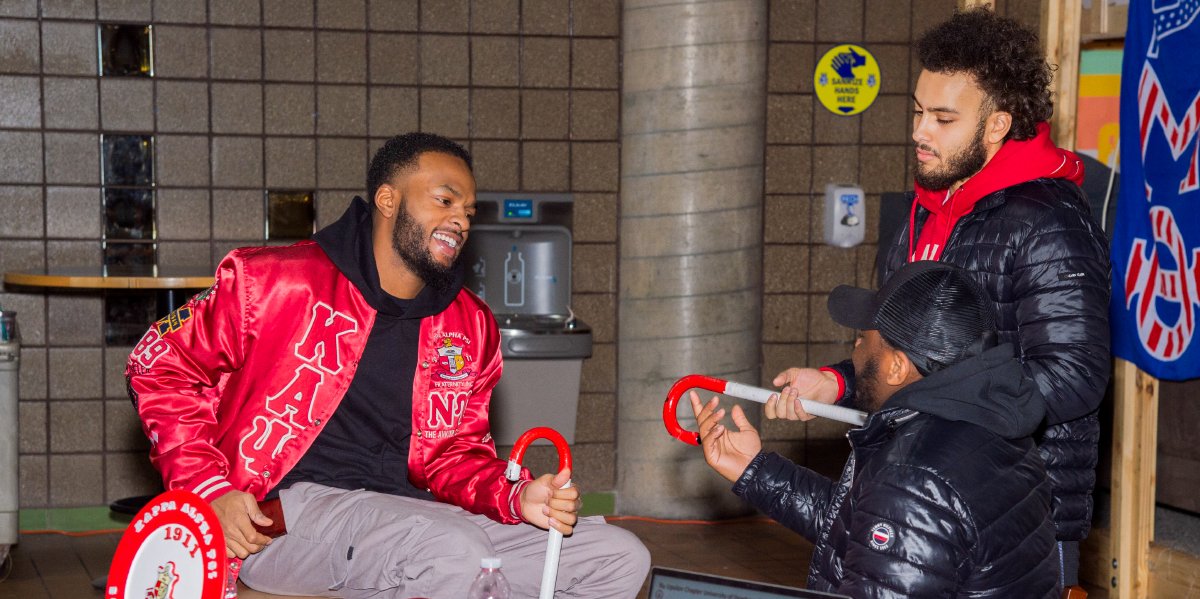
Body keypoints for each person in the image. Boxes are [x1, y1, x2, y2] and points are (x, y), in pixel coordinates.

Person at [125, 132, 650, 598]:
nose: (460, 221)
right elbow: (157, 364)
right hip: (286, 517)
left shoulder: (468, 324)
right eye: (445, 200)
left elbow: (454, 457)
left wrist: (515, 496)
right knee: (451, 551)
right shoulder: (275, 282)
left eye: (468, 212)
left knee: (618, 556)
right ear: (387, 199)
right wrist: (209, 491)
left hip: (418, 515)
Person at [768, 9, 1110, 594]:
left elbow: (1074, 375)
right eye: (918, 111)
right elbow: (904, 348)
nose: (920, 131)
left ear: (998, 123)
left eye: (944, 118)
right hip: (916, 483)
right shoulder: (924, 206)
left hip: (1017, 511)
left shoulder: (1049, 221)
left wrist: (946, 416)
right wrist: (838, 382)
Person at [693, 261, 1059, 597]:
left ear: (897, 368)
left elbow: (901, 515)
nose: (855, 348)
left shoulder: (912, 476)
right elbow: (868, 530)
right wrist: (755, 469)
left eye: (864, 339)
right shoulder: (993, 425)